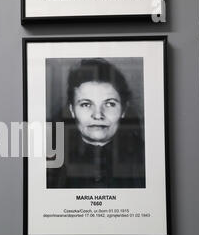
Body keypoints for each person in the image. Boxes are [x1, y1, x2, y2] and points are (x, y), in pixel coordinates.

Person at [47, 58, 145, 189]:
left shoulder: (145, 156)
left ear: (123, 110)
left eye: (110, 104)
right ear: (71, 110)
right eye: (86, 104)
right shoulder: (50, 158)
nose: (98, 115)